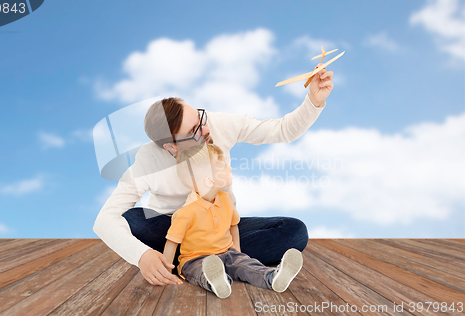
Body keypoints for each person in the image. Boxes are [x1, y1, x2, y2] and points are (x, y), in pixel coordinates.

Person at [93, 64, 334, 285]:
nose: (206, 130)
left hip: (219, 226)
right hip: (173, 227)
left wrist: (313, 101)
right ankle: (218, 261)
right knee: (133, 219)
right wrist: (142, 256)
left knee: (294, 231)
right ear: (171, 146)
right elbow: (105, 219)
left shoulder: (218, 125)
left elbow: (281, 131)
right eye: (194, 131)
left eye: (200, 118)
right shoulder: (148, 160)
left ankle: (200, 262)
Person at [163, 143, 303, 298]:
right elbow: (172, 243)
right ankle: (218, 281)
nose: (229, 168)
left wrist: (237, 252)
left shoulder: (226, 199)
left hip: (228, 252)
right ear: (209, 181)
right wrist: (167, 273)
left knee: (247, 265)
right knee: (200, 271)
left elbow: (234, 226)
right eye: (223, 166)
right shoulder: (186, 212)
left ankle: (272, 277)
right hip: (194, 259)